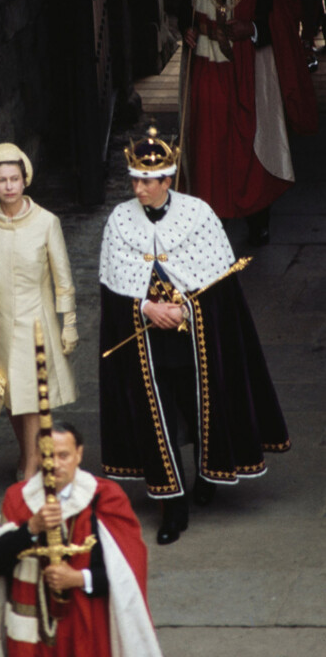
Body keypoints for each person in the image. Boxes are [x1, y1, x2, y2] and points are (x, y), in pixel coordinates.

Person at [99, 130, 291, 545]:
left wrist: (186, 308)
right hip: (145, 342)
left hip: (197, 340)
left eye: (147, 181)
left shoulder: (199, 214)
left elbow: (220, 288)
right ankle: (173, 504)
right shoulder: (119, 219)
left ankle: (209, 474)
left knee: (202, 408)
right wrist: (146, 307)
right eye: (134, 180)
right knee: (159, 420)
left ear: (168, 180)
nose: (139, 189)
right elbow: (113, 286)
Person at [179, 0, 317, 246]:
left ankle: (258, 219)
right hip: (209, 65)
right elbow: (184, 9)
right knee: (209, 140)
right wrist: (189, 28)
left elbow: (283, 18)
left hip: (252, 64)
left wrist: (252, 30)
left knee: (249, 139)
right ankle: (211, 218)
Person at [0, 422, 163, 657]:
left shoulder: (106, 497)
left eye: (64, 455)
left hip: (87, 624)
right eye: (48, 455)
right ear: (37, 456)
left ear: (79, 454)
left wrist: (78, 578)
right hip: (34, 631)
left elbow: (128, 573)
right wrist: (31, 527)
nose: (56, 464)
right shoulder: (18, 498)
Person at [0, 143, 78, 480]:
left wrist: (68, 323)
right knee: (8, 395)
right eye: (2, 180)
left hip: (34, 322)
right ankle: (33, 455)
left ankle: (30, 469)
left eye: (14, 178)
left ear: (25, 180)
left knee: (31, 398)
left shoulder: (46, 223)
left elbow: (64, 279)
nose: (9, 186)